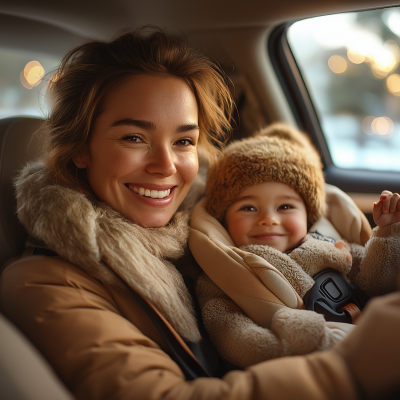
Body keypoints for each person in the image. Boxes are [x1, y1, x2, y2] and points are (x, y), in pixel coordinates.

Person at [1, 26, 400, 400]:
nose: (165, 165)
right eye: (134, 137)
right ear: (81, 149)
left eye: (184, 140)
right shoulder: (44, 282)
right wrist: (350, 369)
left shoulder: (215, 227)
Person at [193, 123, 400, 368]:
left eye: (285, 207)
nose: (269, 218)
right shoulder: (223, 276)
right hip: (311, 367)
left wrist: (386, 234)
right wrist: (306, 339)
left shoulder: (329, 246)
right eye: (248, 208)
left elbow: (377, 284)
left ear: (308, 215)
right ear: (224, 219)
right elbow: (234, 337)